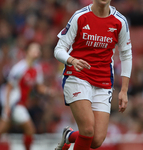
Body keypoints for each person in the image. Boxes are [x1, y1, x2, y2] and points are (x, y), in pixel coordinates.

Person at [54, 0, 132, 150]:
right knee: (88, 130)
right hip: (78, 75)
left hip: (103, 81)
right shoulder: (80, 17)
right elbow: (59, 49)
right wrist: (71, 60)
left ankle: (69, 136)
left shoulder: (120, 21)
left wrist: (124, 90)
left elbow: (126, 54)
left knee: (96, 140)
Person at [0, 42, 53, 150]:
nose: (38, 51)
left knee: (1, 130)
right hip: (15, 103)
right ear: (27, 52)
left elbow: (39, 87)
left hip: (20, 104)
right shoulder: (19, 68)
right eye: (34, 49)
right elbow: (8, 87)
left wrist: (49, 91)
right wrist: (7, 106)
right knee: (30, 129)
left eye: (38, 49)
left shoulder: (37, 69)